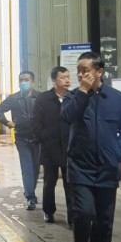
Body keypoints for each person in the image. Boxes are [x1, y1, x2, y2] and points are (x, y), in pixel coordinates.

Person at [61, 52, 121, 242]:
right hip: (80, 168)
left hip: (107, 168)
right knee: (83, 214)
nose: (81, 74)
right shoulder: (73, 96)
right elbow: (67, 117)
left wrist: (118, 153)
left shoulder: (116, 98)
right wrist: (82, 91)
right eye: (78, 71)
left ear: (99, 72)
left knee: (104, 219)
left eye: (85, 70)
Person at [0, 70, 41, 210]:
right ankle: (30, 197)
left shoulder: (40, 97)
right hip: (22, 138)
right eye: (21, 80)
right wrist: (6, 122)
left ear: (32, 82)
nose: (23, 82)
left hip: (37, 138)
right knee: (27, 167)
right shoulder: (13, 98)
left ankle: (30, 190)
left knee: (35, 168)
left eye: (26, 80)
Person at [33, 66, 72, 225]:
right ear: (54, 81)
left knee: (70, 183)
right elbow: (37, 123)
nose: (67, 80)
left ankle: (73, 216)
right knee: (50, 182)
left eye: (68, 77)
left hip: (69, 147)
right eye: (63, 77)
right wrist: (42, 139)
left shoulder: (73, 97)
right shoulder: (43, 99)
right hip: (50, 147)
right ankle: (48, 212)